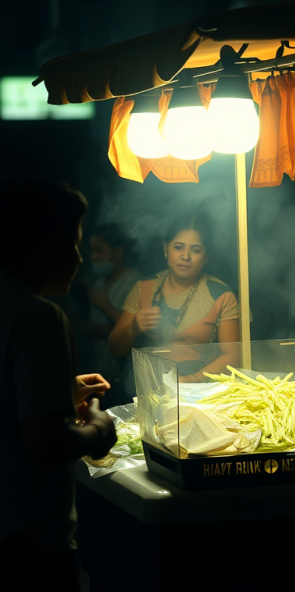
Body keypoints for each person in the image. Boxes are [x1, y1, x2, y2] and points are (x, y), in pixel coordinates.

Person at [0, 178, 117, 592]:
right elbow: (45, 444)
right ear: (51, 245)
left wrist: (60, 392)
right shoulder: (39, 316)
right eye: (76, 245)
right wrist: (99, 429)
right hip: (29, 544)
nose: (81, 260)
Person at [109, 213, 240, 387]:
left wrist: (190, 380)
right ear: (166, 249)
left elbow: (233, 356)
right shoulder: (144, 287)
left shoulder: (221, 295)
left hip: (198, 388)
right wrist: (133, 327)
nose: (185, 256)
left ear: (207, 256)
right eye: (178, 247)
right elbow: (116, 349)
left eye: (196, 250)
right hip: (146, 384)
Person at [73, 225, 141, 406]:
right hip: (100, 370)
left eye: (99, 250)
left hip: (123, 376)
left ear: (118, 252)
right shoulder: (99, 282)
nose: (93, 256)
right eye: (91, 251)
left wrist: (106, 308)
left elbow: (135, 333)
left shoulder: (135, 282)